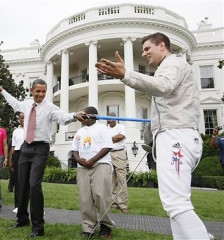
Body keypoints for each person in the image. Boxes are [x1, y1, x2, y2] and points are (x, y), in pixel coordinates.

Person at [95, 32, 211, 239]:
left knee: (176, 203)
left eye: (148, 48)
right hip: (181, 137)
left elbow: (161, 87)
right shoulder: (172, 67)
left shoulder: (171, 64)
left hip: (176, 139)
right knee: (176, 206)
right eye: (143, 50)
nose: (144, 53)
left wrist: (126, 75)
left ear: (163, 46)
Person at [0, 79, 84, 238]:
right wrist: (2, 90)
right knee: (21, 185)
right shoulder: (27, 104)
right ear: (31, 90)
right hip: (26, 148)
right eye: (38, 91)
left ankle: (38, 227)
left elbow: (62, 117)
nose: (41, 94)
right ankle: (22, 219)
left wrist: (75, 115)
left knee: (34, 185)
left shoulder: (49, 107)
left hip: (40, 149)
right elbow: (14, 103)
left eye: (43, 91)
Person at [71, 106, 114, 239]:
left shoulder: (102, 128)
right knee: (85, 198)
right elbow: (74, 149)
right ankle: (88, 226)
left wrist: (92, 160)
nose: (80, 117)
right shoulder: (79, 131)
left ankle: (106, 225)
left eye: (82, 115)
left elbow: (107, 146)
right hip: (83, 167)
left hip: (100, 165)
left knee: (100, 195)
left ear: (90, 115)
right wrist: (78, 159)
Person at [107, 112, 128, 213]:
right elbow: (103, 141)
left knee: (121, 178)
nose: (111, 120)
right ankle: (114, 202)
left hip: (119, 153)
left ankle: (122, 203)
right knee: (111, 179)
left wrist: (109, 140)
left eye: (112, 118)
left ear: (116, 119)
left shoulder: (121, 126)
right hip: (108, 154)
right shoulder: (105, 129)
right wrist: (113, 139)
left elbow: (120, 137)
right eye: (109, 118)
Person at [10, 112, 25, 213]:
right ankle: (17, 205)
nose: (23, 119)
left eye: (24, 118)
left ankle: (30, 206)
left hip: (28, 153)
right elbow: (13, 147)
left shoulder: (31, 129)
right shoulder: (15, 131)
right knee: (18, 181)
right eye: (21, 118)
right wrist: (11, 159)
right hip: (17, 154)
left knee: (29, 181)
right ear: (19, 119)